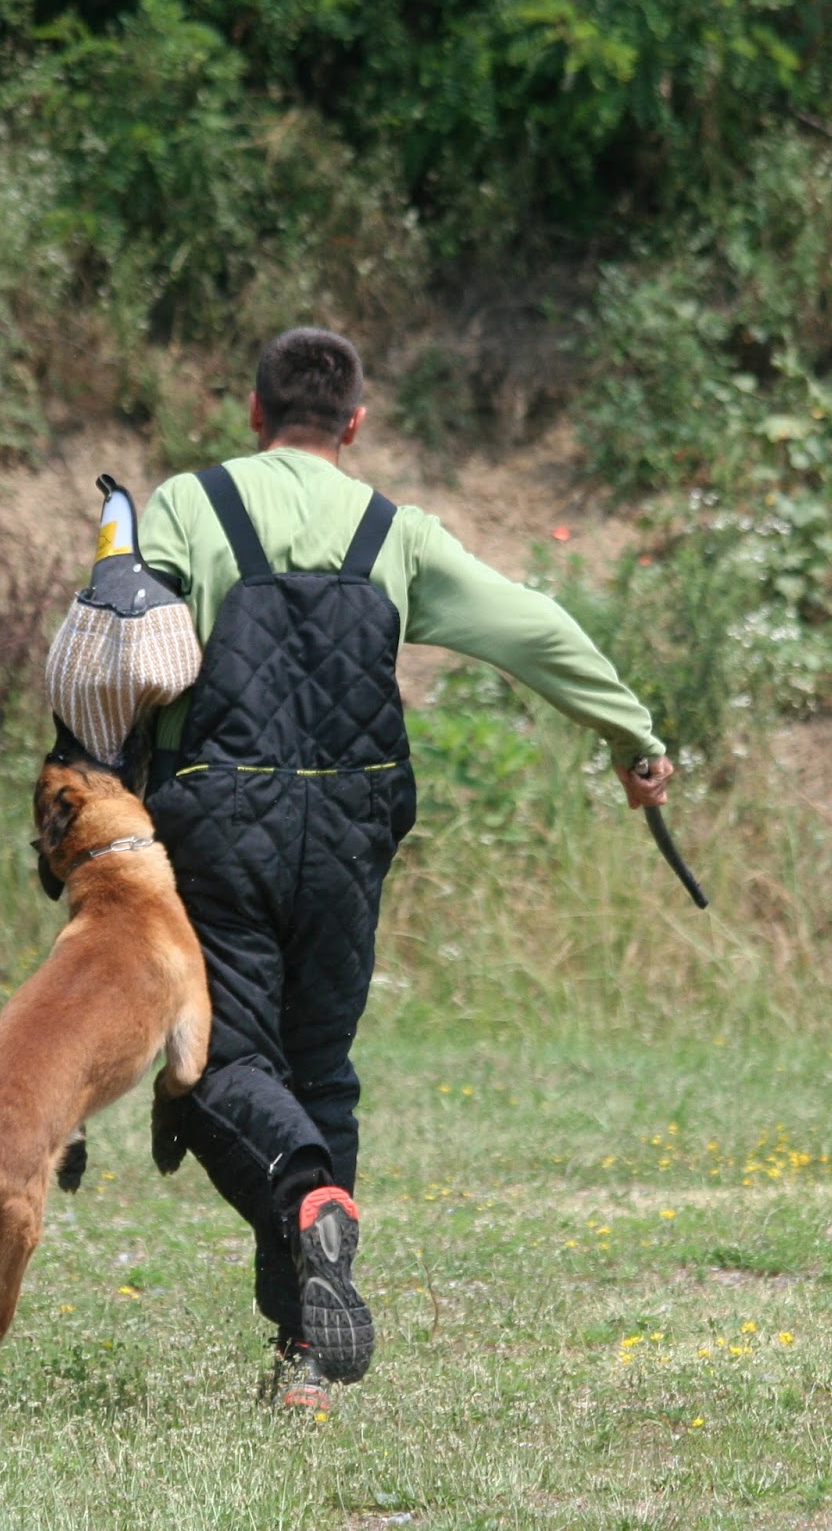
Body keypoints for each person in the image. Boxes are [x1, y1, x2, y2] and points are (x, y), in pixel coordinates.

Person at [137, 327, 672, 1412]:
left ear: (252, 412)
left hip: (217, 825)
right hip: (347, 829)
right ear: (355, 424)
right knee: (318, 1071)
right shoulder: (397, 531)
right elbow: (534, 628)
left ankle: (301, 1206)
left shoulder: (188, 506)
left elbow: (119, 647)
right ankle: (303, 1366)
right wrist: (633, 736)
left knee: (207, 1071)